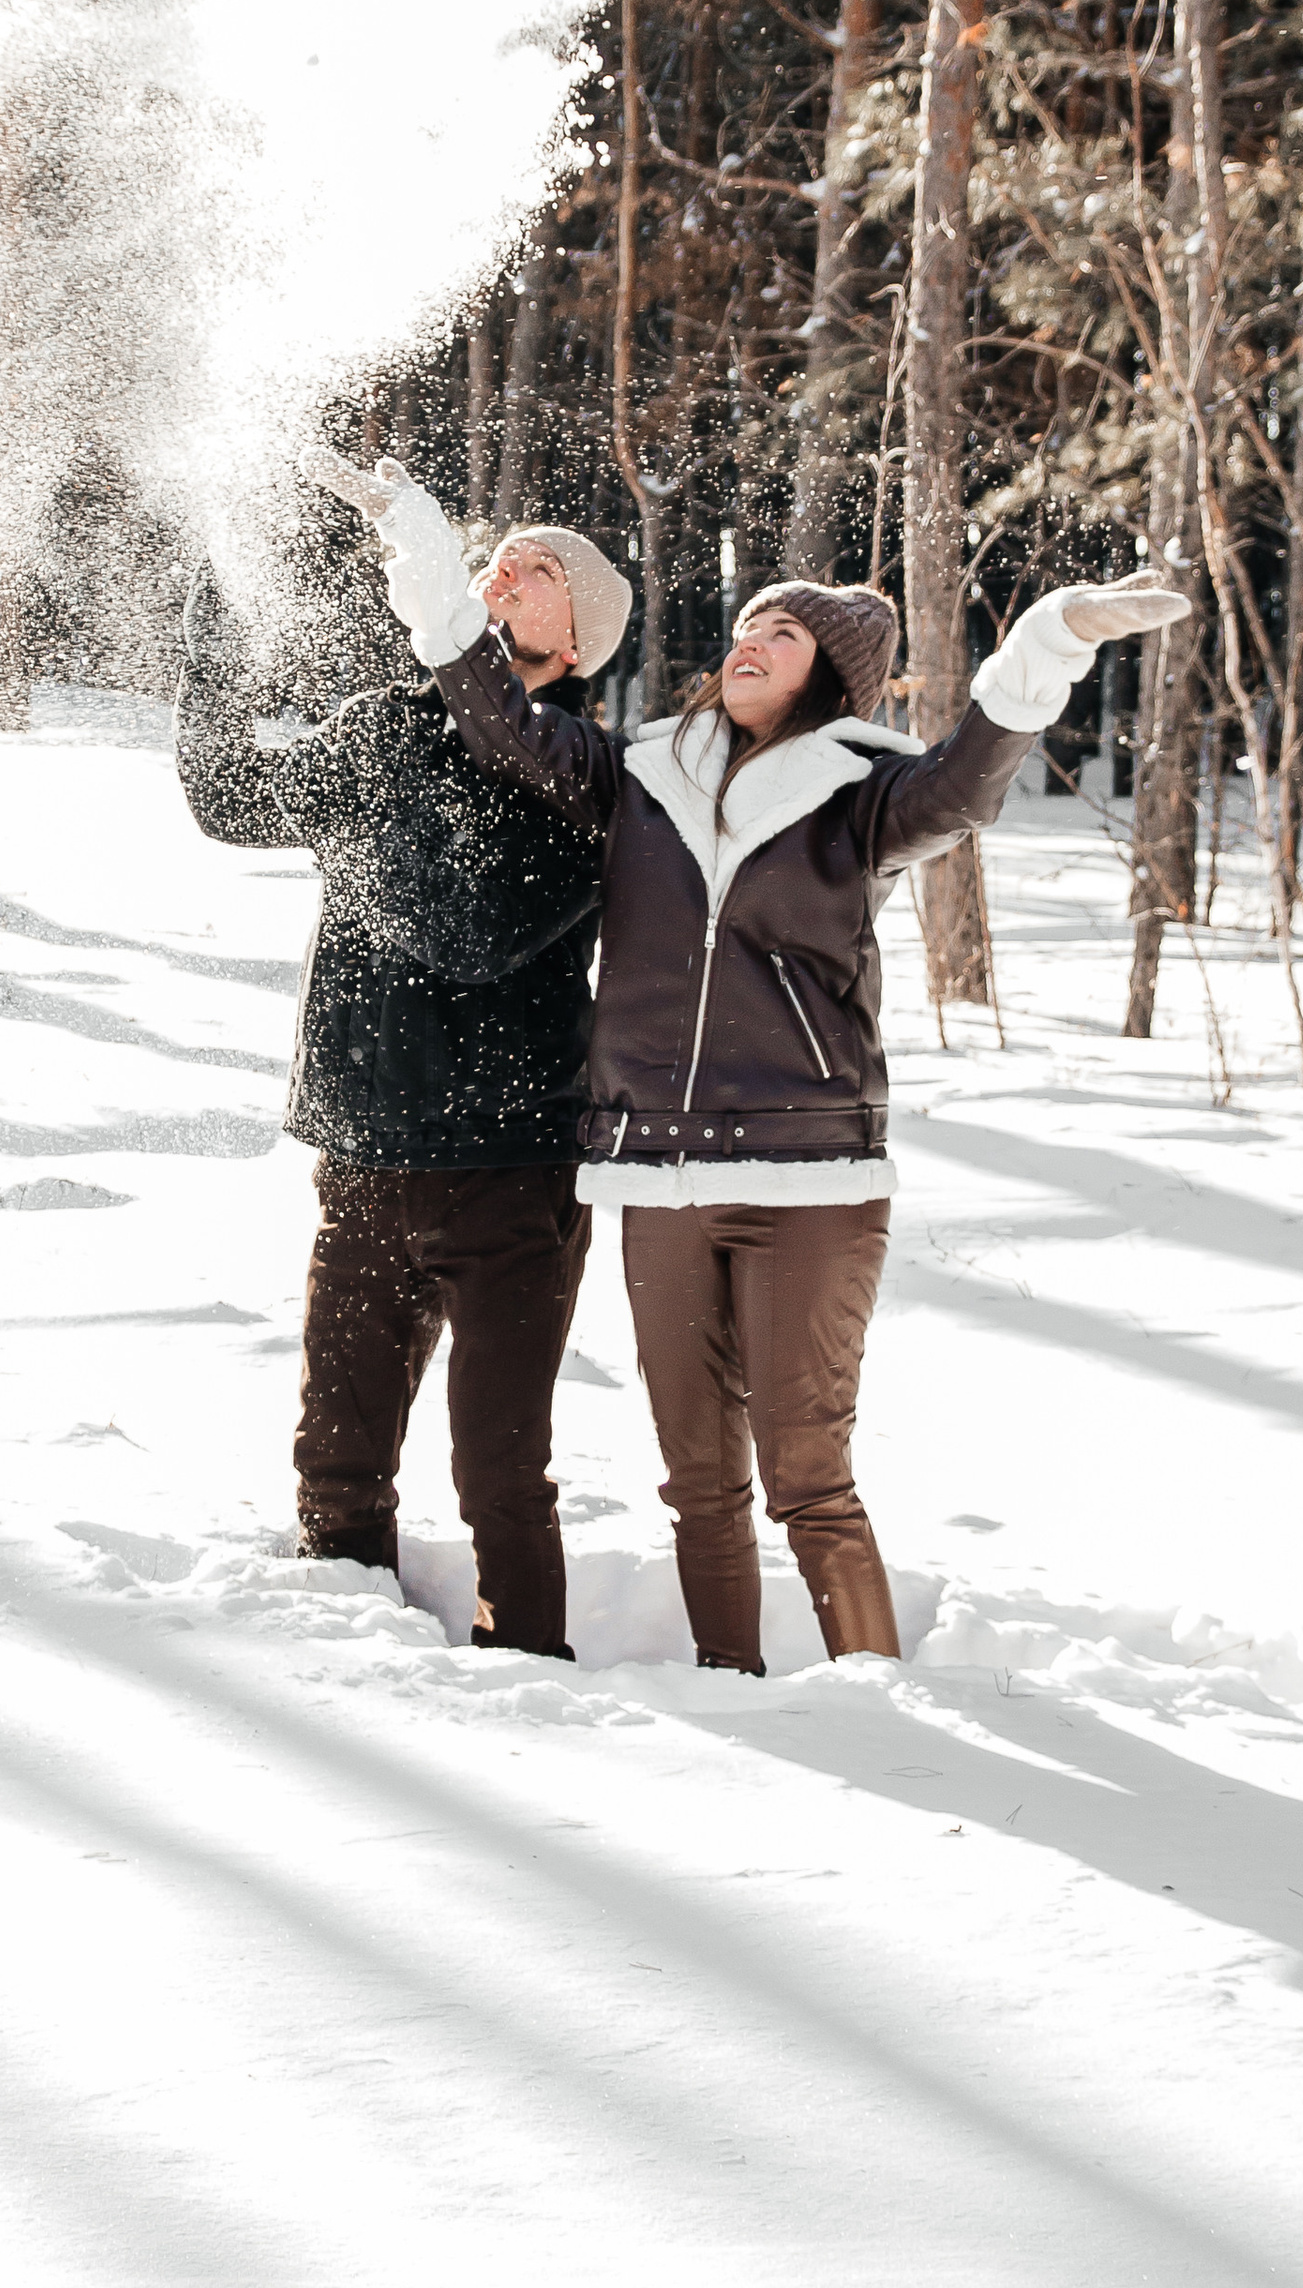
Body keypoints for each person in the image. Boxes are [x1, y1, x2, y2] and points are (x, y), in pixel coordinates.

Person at [331, 462, 1185, 1676]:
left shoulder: (866, 797)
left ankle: (882, 1705)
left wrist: (1046, 644)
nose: (746, 645)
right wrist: (420, 550)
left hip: (811, 1181)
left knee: (806, 1480)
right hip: (655, 1177)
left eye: (778, 635)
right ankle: (736, 1695)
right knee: (697, 1484)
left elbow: (968, 787)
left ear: (826, 674)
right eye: (741, 628)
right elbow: (496, 717)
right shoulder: (637, 780)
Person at [175, 503, 633, 1658]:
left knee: (498, 1463)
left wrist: (380, 808)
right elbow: (227, 796)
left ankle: (529, 1664)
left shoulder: (586, 779)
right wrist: (220, 619)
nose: (507, 565)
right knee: (338, 1442)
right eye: (498, 558)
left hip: (511, 1170)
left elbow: (466, 929)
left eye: (544, 571)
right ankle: (345, 1648)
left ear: (576, 644)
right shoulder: (380, 726)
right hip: (367, 1150)